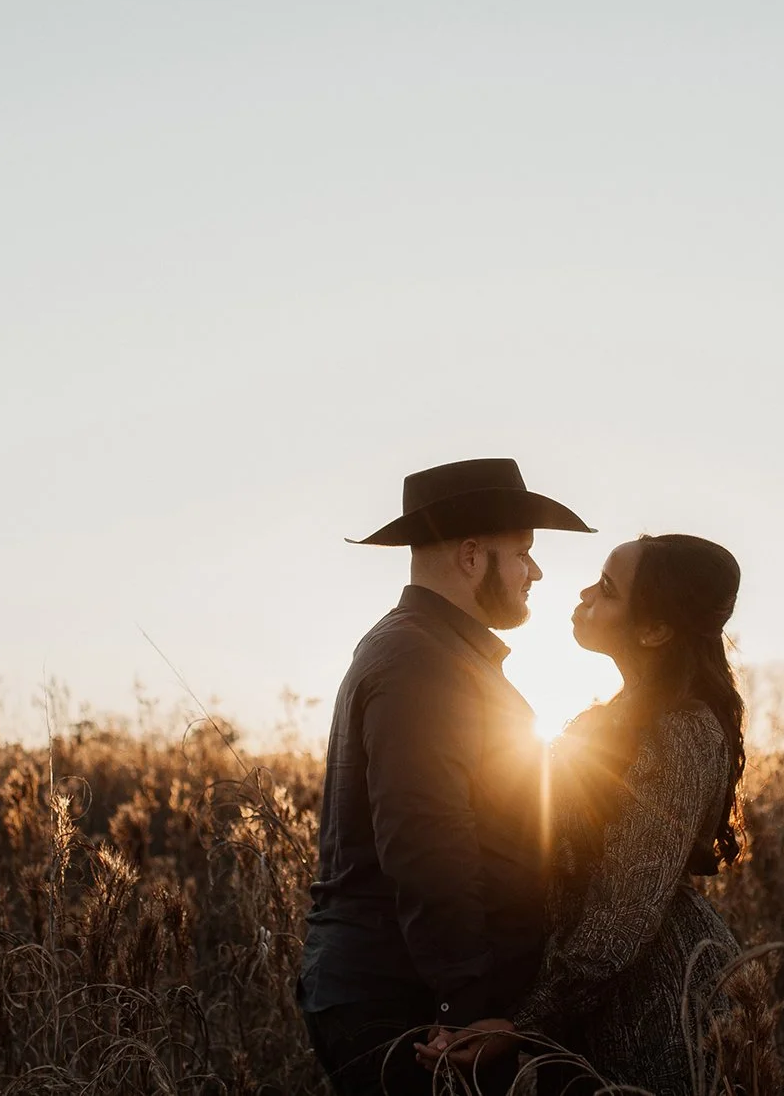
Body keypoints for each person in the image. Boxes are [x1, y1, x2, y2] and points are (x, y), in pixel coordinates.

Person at [300, 458, 596, 1096]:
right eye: (522, 553)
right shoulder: (421, 659)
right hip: (406, 1003)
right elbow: (426, 840)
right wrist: (466, 1005)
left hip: (407, 990)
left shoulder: (428, 649)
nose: (536, 572)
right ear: (470, 557)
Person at [420, 534, 746, 1096]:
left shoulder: (684, 732)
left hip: (656, 1010)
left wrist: (524, 1025)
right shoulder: (615, 720)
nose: (584, 591)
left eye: (608, 589)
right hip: (590, 1005)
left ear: (654, 630)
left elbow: (625, 913)